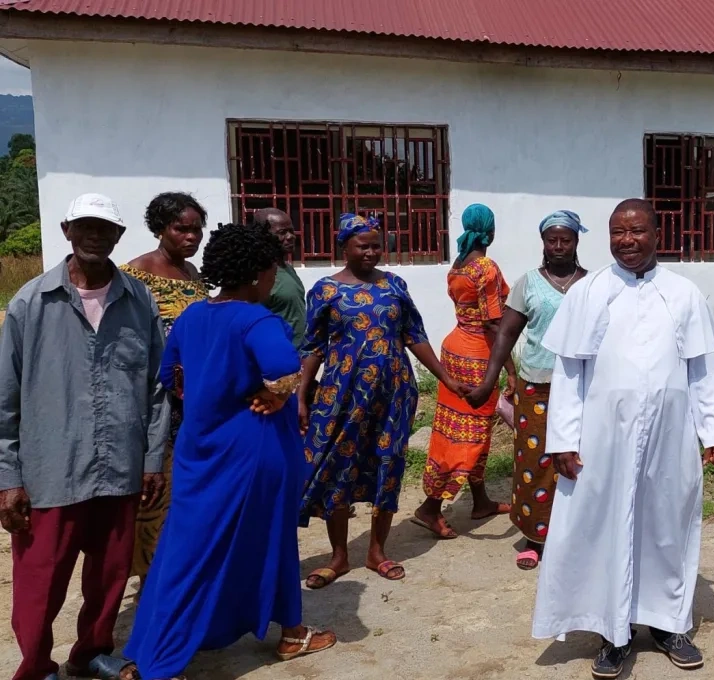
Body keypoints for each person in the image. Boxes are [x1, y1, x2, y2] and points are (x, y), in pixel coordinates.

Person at [124, 223, 336, 680]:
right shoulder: (257, 320)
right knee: (268, 539)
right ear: (258, 273)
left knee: (187, 548)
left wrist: (211, 393)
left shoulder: (191, 316)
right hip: (254, 450)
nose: (273, 279)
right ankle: (285, 634)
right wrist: (276, 394)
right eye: (271, 270)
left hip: (199, 449)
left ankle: (159, 644)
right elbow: (285, 368)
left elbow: (171, 376)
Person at [530, 199, 714, 679]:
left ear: (657, 234)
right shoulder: (589, 292)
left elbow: (702, 368)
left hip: (670, 434)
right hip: (603, 438)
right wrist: (562, 441)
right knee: (605, 529)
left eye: (636, 231)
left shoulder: (683, 293)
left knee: (666, 526)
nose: (627, 241)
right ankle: (612, 633)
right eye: (618, 232)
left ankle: (668, 625)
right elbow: (569, 373)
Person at [0, 194, 169, 680]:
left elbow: (156, 388)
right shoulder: (31, 302)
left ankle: (91, 652)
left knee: (110, 573)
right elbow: (5, 398)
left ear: (118, 236)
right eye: (85, 226)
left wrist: (151, 459)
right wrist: (8, 477)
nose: (95, 235)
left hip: (121, 466)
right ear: (66, 230)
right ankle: (37, 667)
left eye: (104, 228)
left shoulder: (139, 300)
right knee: (41, 579)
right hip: (51, 469)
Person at [298, 214, 468, 588]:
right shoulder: (325, 290)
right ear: (344, 247)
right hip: (342, 394)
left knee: (388, 463)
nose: (372, 252)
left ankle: (377, 551)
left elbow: (414, 335)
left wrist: (446, 378)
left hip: (394, 393)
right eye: (364, 246)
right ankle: (339, 557)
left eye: (377, 245)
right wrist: (301, 396)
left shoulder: (394, 285)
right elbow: (312, 346)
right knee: (339, 466)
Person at [467, 210, 588, 568]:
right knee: (535, 461)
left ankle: (576, 537)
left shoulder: (592, 284)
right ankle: (534, 537)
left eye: (566, 239)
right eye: (552, 240)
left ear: (576, 242)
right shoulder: (528, 283)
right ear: (543, 243)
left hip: (584, 386)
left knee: (581, 461)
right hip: (538, 386)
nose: (559, 246)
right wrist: (490, 380)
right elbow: (506, 333)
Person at [121, 191, 209, 585]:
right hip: (155, 403)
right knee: (153, 493)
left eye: (197, 229)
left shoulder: (193, 275)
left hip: (194, 405)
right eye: (181, 229)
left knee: (185, 492)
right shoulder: (134, 276)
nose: (191, 237)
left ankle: (178, 576)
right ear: (160, 228)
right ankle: (149, 581)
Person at [413, 204, 513, 540]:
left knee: (454, 429)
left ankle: (480, 501)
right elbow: (494, 323)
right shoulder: (485, 267)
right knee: (469, 435)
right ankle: (430, 508)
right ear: (491, 231)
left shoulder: (458, 266)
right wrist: (511, 369)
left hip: (454, 349)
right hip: (477, 356)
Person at [251, 208, 308, 348]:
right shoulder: (259, 275)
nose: (290, 236)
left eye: (291, 231)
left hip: (298, 355)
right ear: (263, 236)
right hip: (278, 354)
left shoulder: (288, 269)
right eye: (282, 232)